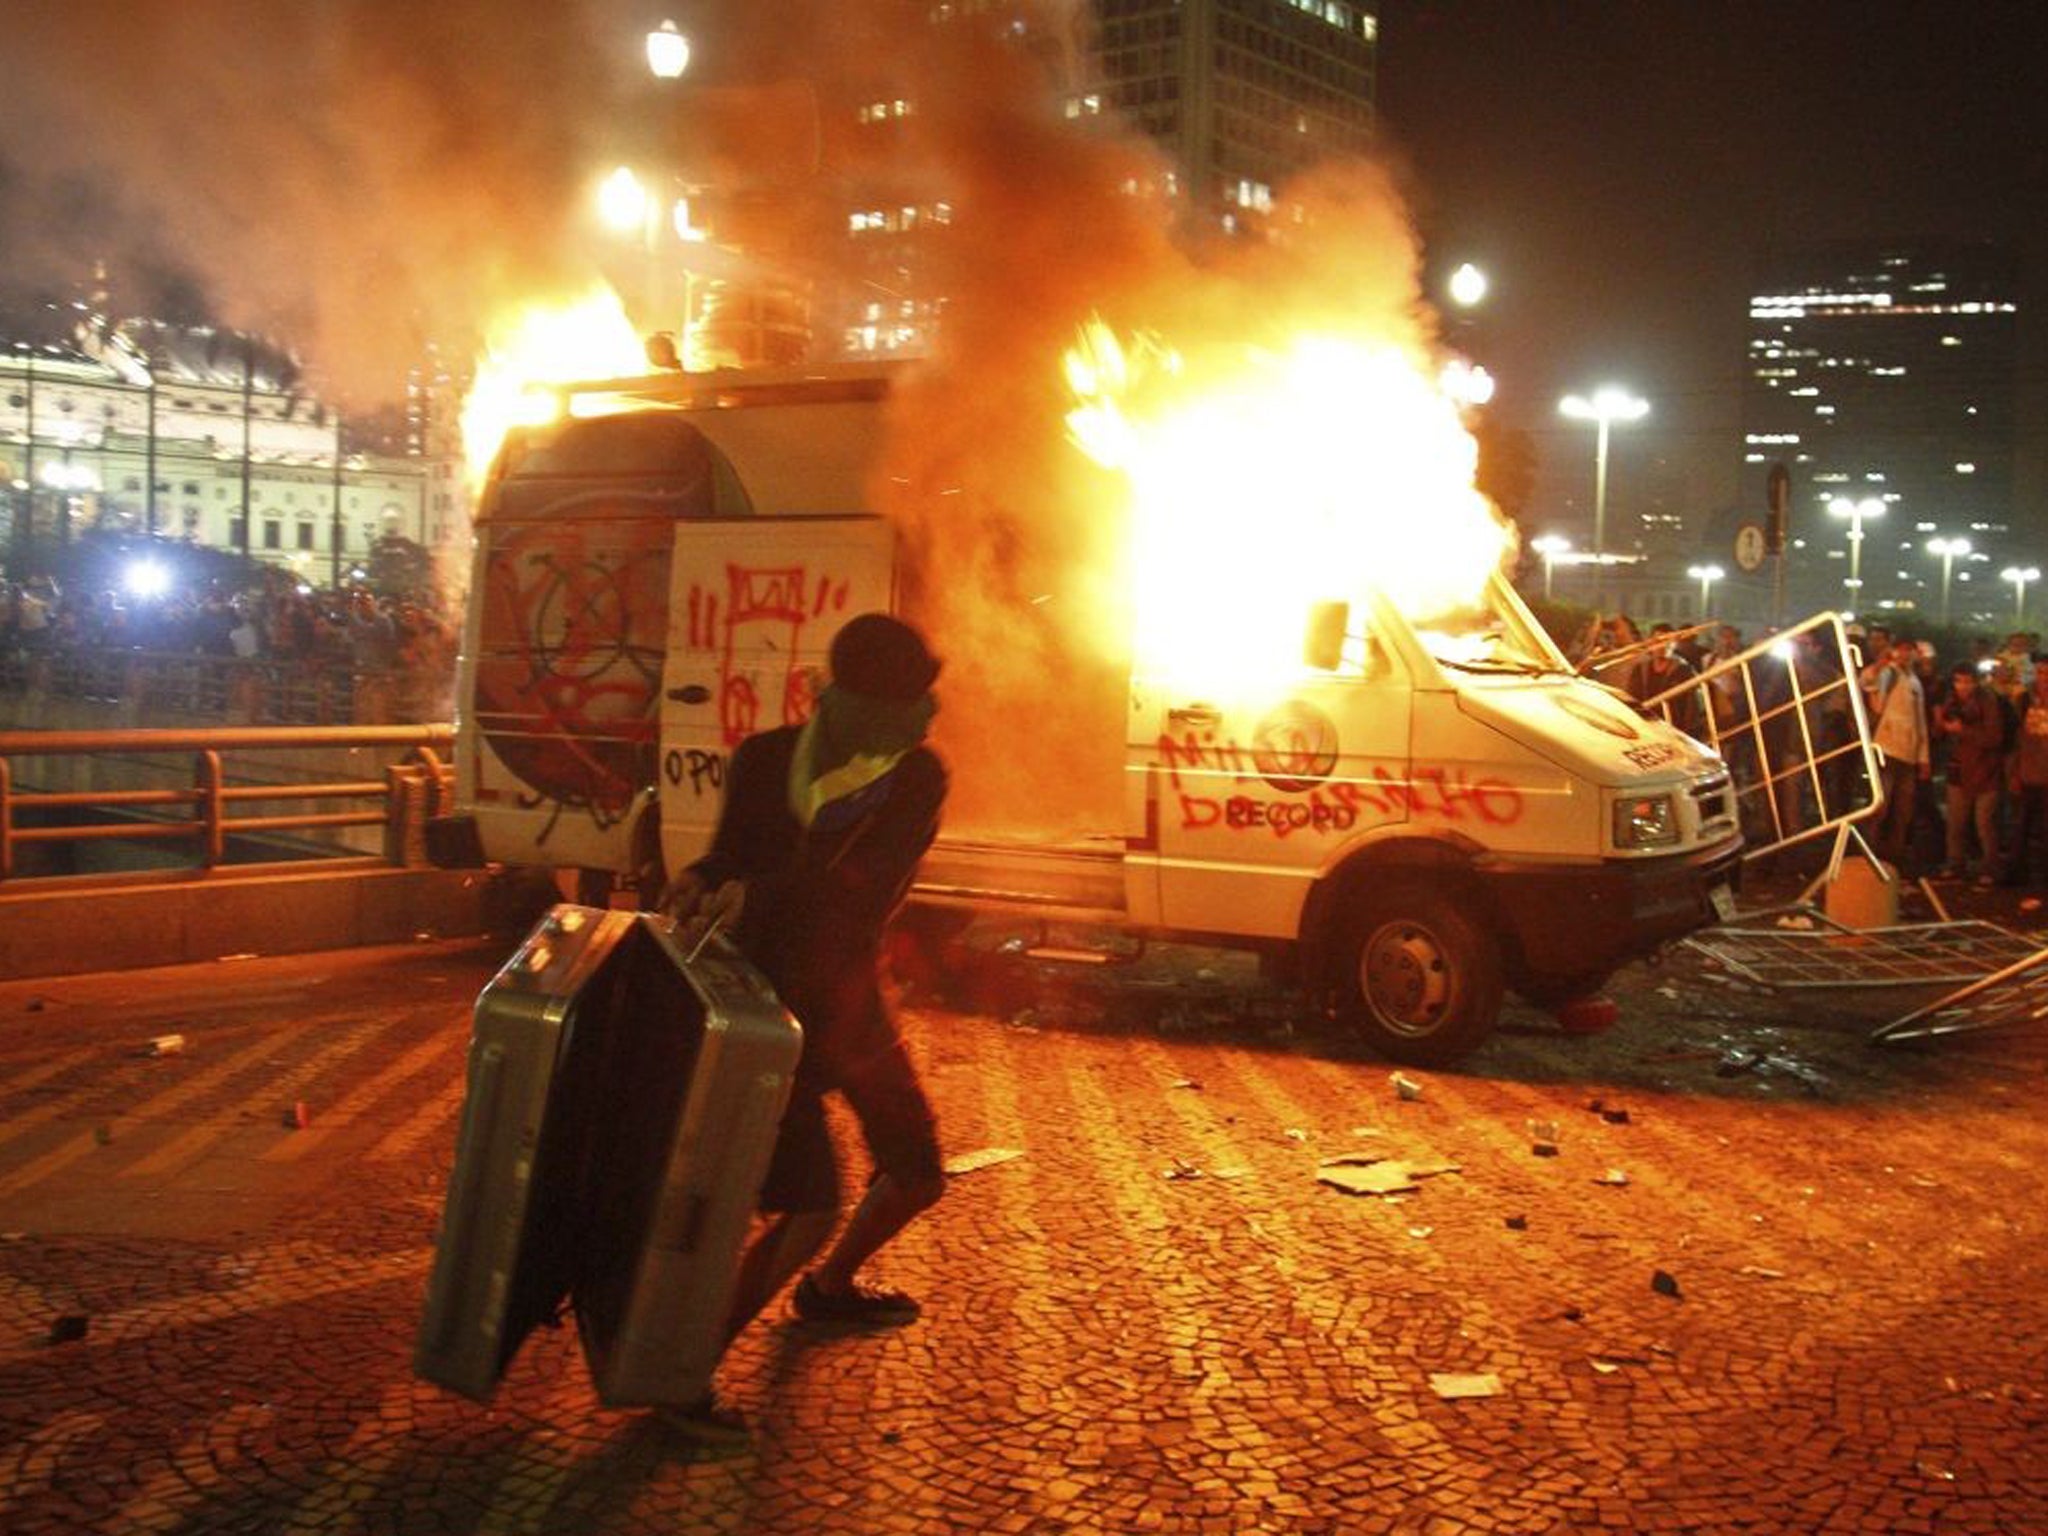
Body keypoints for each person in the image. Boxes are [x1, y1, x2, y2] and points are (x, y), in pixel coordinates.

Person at [661, 612, 950, 1432]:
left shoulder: (916, 777)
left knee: (920, 1171)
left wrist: (757, 890)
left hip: (850, 1004)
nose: (924, 717)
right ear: (860, 696)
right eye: (909, 699)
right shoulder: (762, 759)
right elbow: (732, 853)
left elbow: (869, 886)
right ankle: (686, 1372)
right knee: (810, 1203)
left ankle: (828, 1289)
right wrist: (701, 875)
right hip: (761, 1010)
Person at [1934, 662, 2004, 885]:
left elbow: (1994, 737)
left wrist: (1963, 731)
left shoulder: (1988, 701)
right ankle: (1955, 864)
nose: (1962, 686)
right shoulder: (1950, 701)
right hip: (1958, 769)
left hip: (1985, 770)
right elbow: (1939, 734)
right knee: (1956, 823)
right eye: (1958, 681)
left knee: (1984, 823)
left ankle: (1990, 868)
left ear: (1975, 681)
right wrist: (1939, 721)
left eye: (1967, 681)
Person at [1866, 636, 1931, 872]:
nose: (1905, 655)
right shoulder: (1889, 674)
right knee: (1880, 807)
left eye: (1909, 651)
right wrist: (1877, 668)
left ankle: (1895, 856)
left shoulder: (1915, 681)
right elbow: (1870, 689)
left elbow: (1920, 721)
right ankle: (1870, 854)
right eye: (1901, 650)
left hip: (1909, 754)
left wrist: (1924, 758)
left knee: (1903, 810)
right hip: (1887, 749)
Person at [2006, 657, 2048, 885]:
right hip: (2027, 773)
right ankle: (2016, 874)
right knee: (2020, 826)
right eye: (2040, 672)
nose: (2044, 678)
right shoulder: (2023, 701)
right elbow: (2016, 740)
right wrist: (2014, 772)